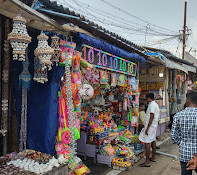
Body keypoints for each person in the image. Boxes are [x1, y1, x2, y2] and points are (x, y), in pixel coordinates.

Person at [171, 91, 197, 175]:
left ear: (187, 101)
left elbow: (173, 136)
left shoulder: (178, 116)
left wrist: (182, 143)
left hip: (184, 153)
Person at [139, 93, 160, 167]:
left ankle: (147, 162)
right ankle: (153, 157)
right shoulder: (155, 104)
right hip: (153, 126)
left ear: (149, 98)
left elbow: (151, 116)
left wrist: (147, 128)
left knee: (147, 143)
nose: (146, 100)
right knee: (153, 140)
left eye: (146, 98)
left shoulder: (152, 105)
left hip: (150, 126)